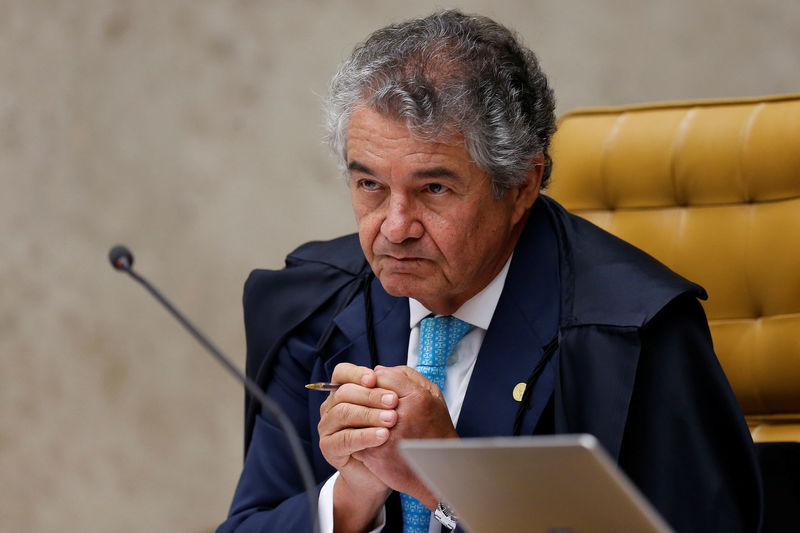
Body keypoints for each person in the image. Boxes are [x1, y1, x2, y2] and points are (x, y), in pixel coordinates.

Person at [218, 10, 762, 533]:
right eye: (370, 186)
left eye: (434, 189)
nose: (395, 226)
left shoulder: (633, 338)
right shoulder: (312, 308)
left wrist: (448, 483)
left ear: (522, 185)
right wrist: (354, 490)